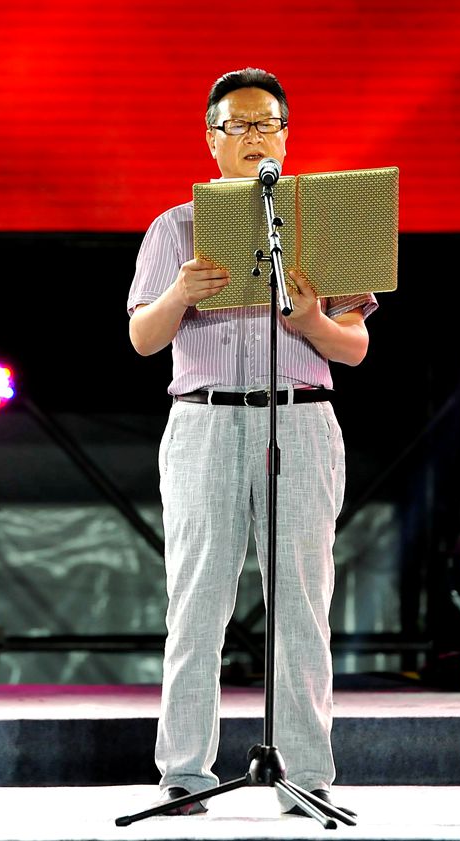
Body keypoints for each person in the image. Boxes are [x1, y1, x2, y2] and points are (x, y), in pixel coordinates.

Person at [127, 67, 377, 815]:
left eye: (267, 123)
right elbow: (142, 337)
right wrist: (181, 293)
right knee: (197, 597)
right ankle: (184, 772)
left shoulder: (327, 222)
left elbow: (355, 347)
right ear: (212, 139)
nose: (254, 136)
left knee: (302, 598)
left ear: (286, 137)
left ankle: (307, 774)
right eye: (237, 125)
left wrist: (312, 321)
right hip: (204, 419)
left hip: (299, 417)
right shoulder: (174, 227)